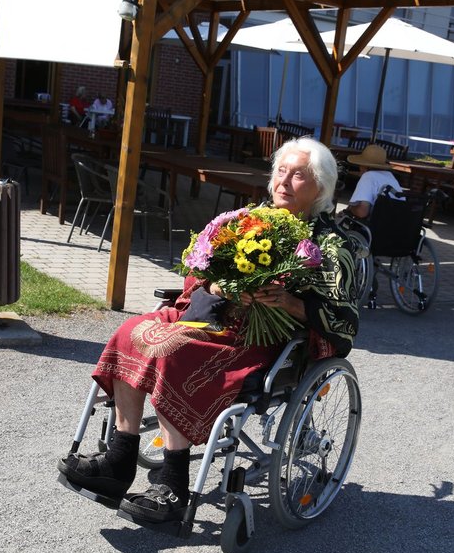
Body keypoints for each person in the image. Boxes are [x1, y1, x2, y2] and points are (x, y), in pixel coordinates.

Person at [58, 137, 359, 524]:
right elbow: (198, 273)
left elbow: (343, 319)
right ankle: (119, 459)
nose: (284, 182)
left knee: (171, 350)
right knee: (131, 331)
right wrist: (215, 285)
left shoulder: (331, 245)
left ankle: (173, 486)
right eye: (281, 172)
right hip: (208, 318)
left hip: (258, 342)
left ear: (321, 186)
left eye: (298, 175)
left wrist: (287, 302)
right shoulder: (245, 221)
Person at [345, 144, 404, 219]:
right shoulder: (390, 176)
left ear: (364, 166)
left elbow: (362, 212)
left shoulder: (368, 176)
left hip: (377, 225)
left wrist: (350, 209)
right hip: (397, 224)